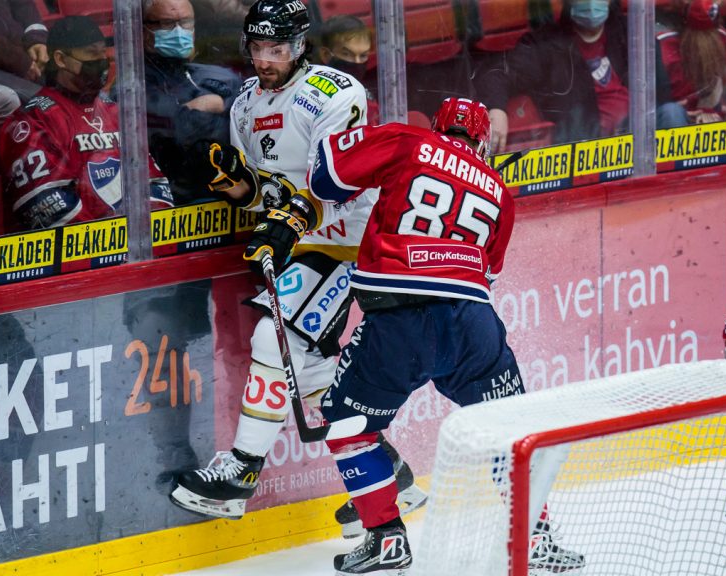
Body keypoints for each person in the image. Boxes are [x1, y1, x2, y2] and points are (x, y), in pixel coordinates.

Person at [237, 97, 584, 574]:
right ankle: (537, 538)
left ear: (438, 126)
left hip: (400, 320)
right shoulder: (498, 189)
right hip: (474, 324)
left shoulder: (409, 140)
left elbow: (326, 175)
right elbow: (489, 275)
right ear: (483, 142)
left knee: (348, 426)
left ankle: (386, 539)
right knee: (508, 427)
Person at [169, 0, 427, 538]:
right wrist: (235, 183)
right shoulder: (244, 102)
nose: (266, 59)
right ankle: (390, 478)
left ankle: (242, 470)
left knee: (274, 336)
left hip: (354, 242)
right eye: (258, 48)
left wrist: (286, 222)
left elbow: (336, 184)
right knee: (308, 372)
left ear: (300, 45)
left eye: (277, 48)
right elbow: (263, 195)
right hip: (304, 243)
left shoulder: (335, 93)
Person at [0, 16, 173, 231]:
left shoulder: (115, 112)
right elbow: (49, 208)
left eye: (103, 53)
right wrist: (114, 237)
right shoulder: (32, 120)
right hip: (77, 247)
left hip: (131, 241)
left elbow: (153, 183)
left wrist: (152, 230)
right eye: (91, 53)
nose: (102, 61)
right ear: (61, 59)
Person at [480, 0, 630, 148]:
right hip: (584, 152)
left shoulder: (629, 31)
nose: (591, 3)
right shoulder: (545, 44)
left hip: (635, 142)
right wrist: (496, 110)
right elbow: (498, 75)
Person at [143, 0, 242, 204]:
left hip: (230, 197)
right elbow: (178, 130)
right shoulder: (135, 86)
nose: (179, 32)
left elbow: (246, 109)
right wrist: (209, 107)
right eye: (168, 24)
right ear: (145, 31)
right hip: (177, 200)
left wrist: (205, 106)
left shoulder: (212, 74)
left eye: (186, 22)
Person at [657, 0, 726, 124]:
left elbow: (722, 88)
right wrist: (684, 110)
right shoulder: (662, 43)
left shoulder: (722, 39)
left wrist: (719, 108)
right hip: (671, 117)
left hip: (706, 115)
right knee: (671, 112)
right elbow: (649, 102)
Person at [315, 15, 379, 124]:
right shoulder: (313, 95)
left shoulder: (369, 94)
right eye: (347, 54)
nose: (357, 62)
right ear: (325, 55)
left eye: (363, 55)